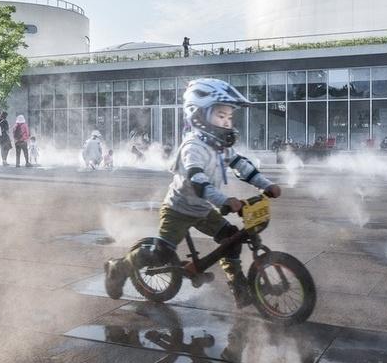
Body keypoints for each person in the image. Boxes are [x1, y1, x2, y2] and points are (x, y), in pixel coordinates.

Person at [104, 78, 282, 309]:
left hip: (203, 210)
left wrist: (265, 185)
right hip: (178, 209)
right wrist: (224, 200)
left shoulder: (220, 146)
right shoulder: (193, 147)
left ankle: (239, 289)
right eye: (221, 116)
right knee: (160, 253)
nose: (227, 122)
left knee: (231, 239)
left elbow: (242, 166)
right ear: (198, 114)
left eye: (229, 117)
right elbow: (200, 182)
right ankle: (117, 268)